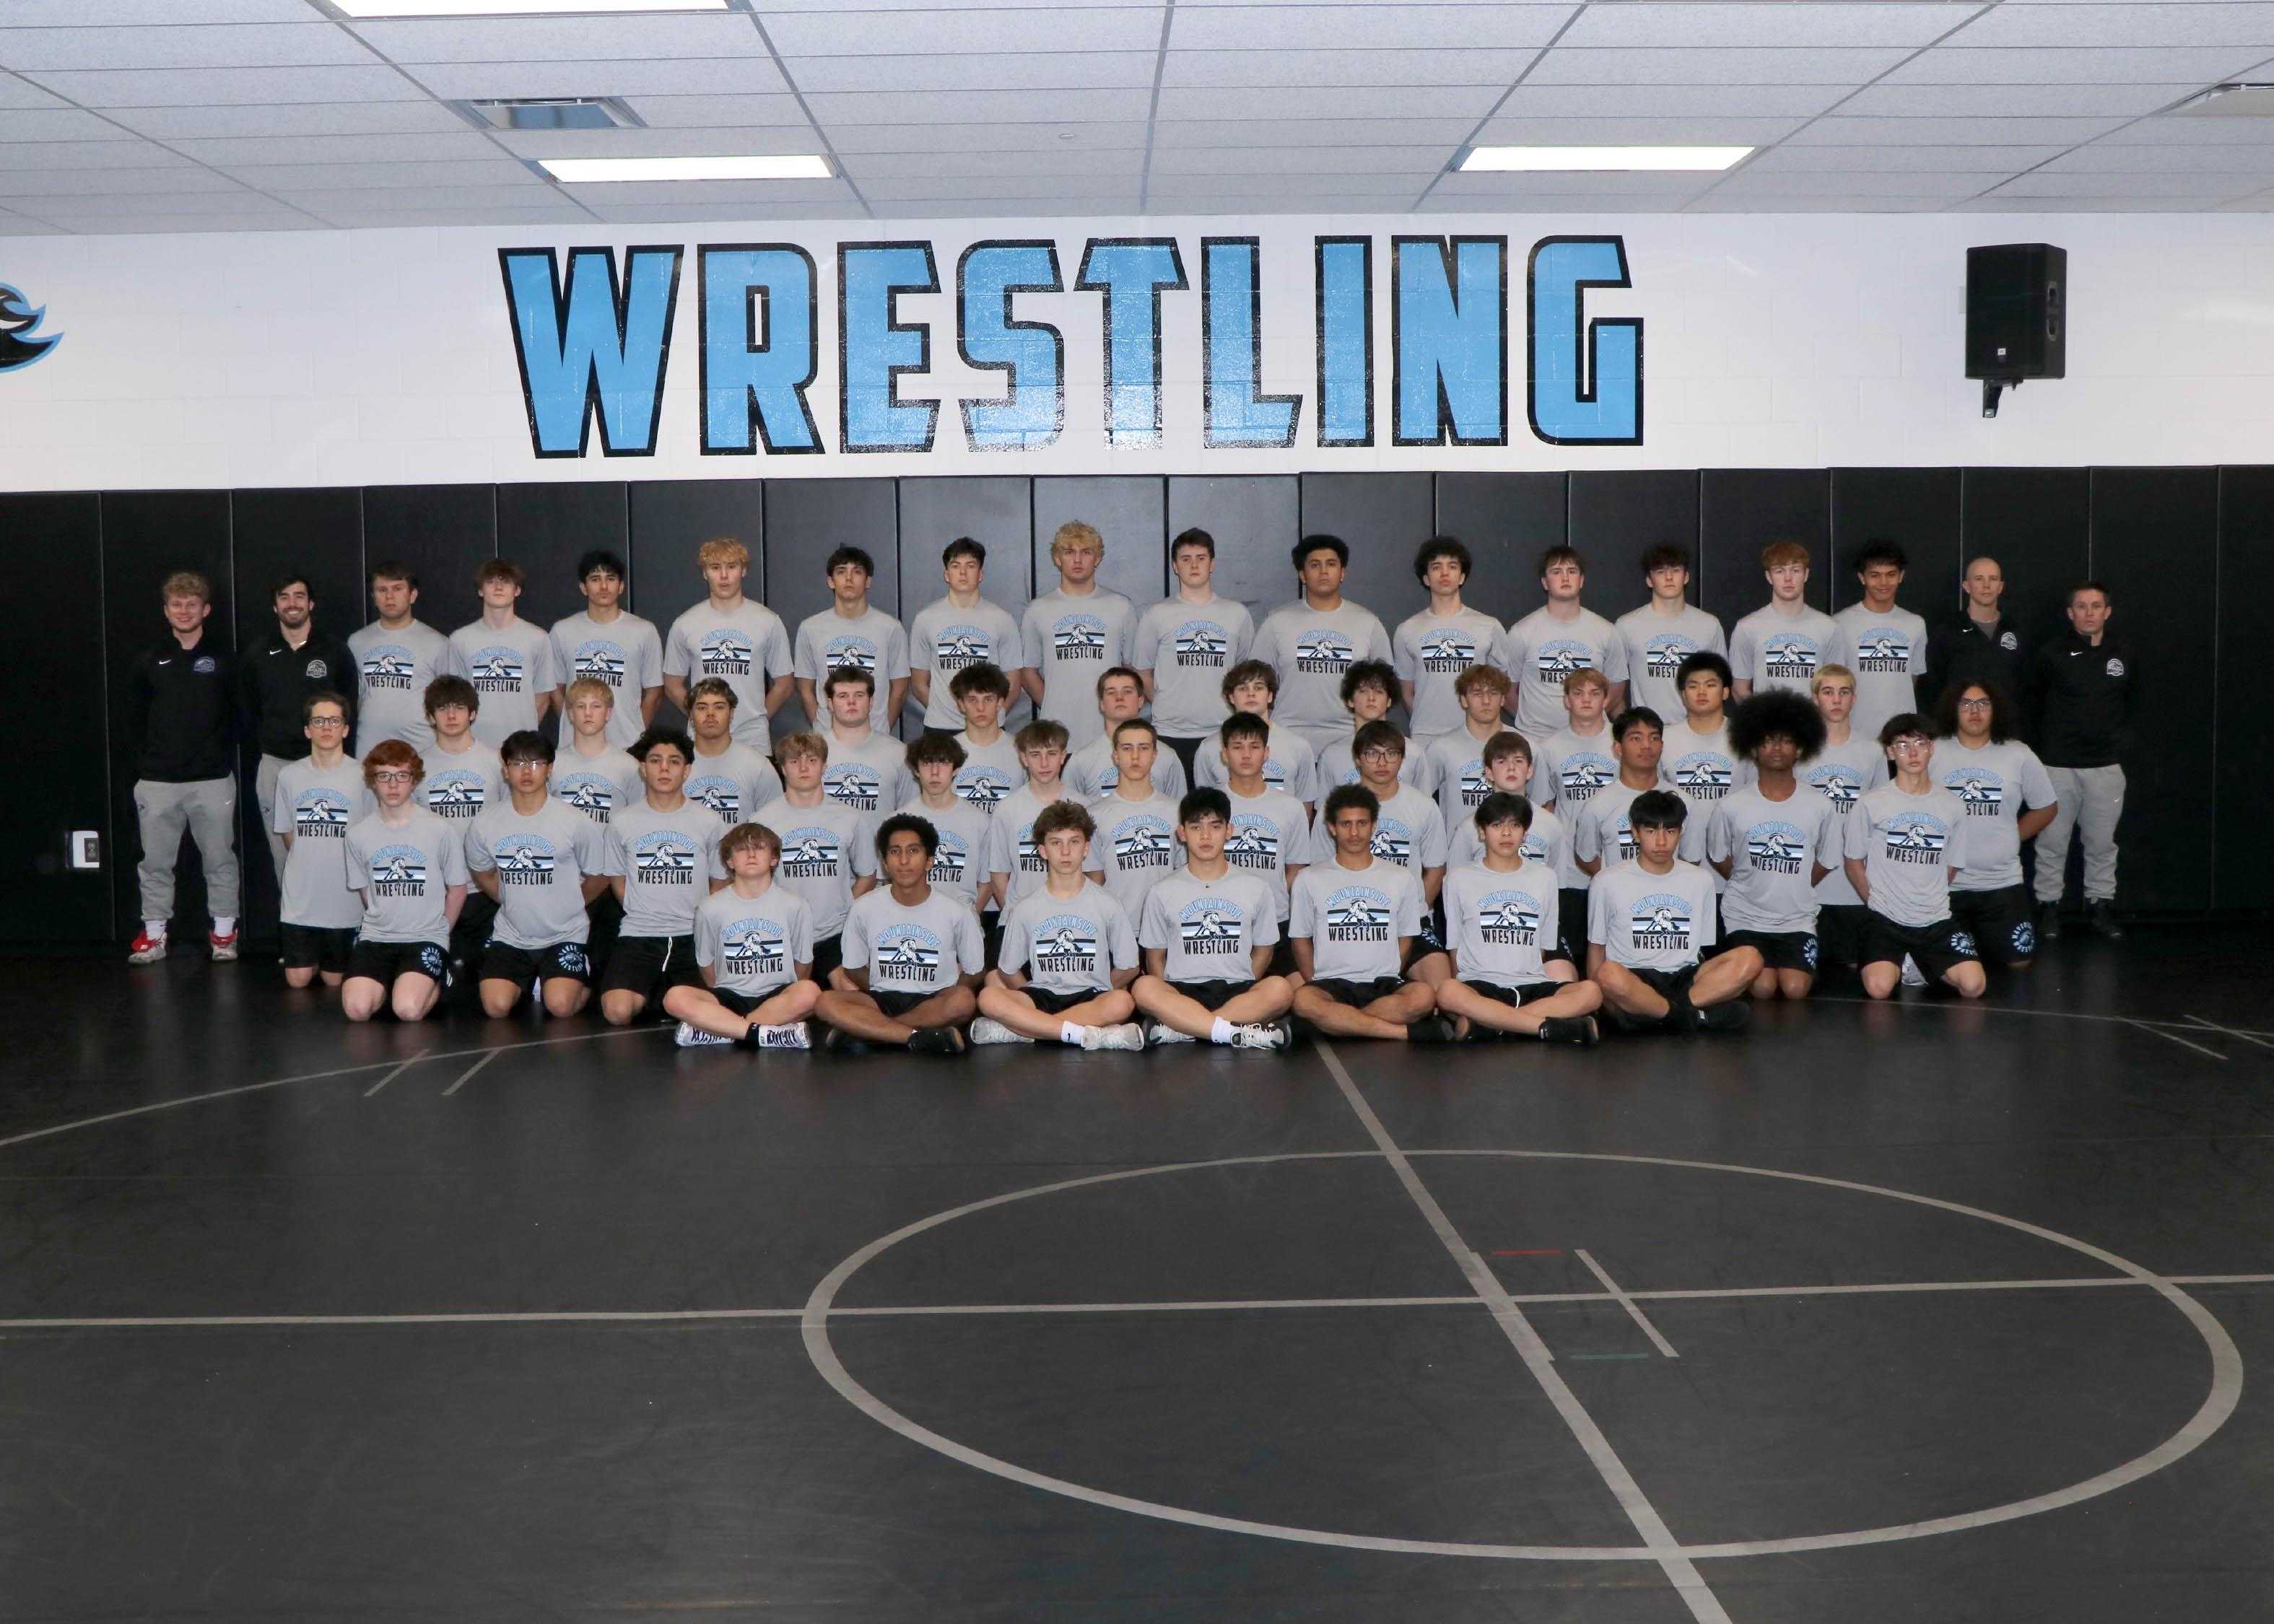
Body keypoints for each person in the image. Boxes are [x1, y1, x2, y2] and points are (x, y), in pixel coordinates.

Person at [126, 571, 241, 966]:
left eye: (192, 604)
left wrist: (217, 755)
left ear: (205, 610)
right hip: (158, 781)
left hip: (212, 780)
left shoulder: (224, 660)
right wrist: (148, 763)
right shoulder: (149, 660)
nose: (184, 611)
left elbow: (238, 715)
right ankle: (155, 935)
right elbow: (134, 719)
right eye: (177, 604)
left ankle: (224, 934)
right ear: (166, 611)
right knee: (155, 863)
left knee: (220, 860)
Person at [973, 801, 1146, 1049]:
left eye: (1074, 842)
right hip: (1041, 995)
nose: (1065, 852)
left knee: (1121, 1001)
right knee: (989, 997)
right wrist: (1028, 992)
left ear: (1086, 848)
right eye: (1056, 843)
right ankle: (1085, 1033)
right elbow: (1008, 970)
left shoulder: (1108, 903)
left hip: (1090, 995)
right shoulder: (1025, 907)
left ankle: (1029, 1030)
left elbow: (1129, 967)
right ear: (1043, 851)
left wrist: (1103, 987)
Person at [1131, 789, 1297, 1047]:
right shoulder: (1161, 891)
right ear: (1182, 833)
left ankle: (1185, 1028)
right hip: (1181, 991)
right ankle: (1234, 1032)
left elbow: (1264, 950)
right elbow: (1155, 958)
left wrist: (1246, 984)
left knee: (1281, 989)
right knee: (1144, 987)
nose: (1206, 836)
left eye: (1215, 826)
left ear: (1229, 831)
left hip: (1237, 990)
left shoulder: (1256, 887)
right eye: (1196, 827)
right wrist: (1171, 997)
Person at [1288, 787, 1455, 1042]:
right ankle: (1400, 1032)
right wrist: (1314, 980)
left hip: (1383, 982)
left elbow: (1406, 937)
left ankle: (1336, 1024)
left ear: (1374, 826)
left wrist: (1391, 969)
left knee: (1423, 996)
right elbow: (1300, 940)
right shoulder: (1308, 879)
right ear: (1332, 828)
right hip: (1330, 983)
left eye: (1362, 823)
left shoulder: (1401, 877)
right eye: (1346, 824)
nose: (1354, 833)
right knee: (1303, 999)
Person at [463, 730, 611, 1019]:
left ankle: (579, 982)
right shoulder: (486, 822)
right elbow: (481, 872)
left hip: (565, 934)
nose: (527, 771)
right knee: (495, 1007)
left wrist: (570, 903)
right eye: (518, 763)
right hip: (512, 935)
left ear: (550, 768)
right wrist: (510, 898)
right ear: (505, 770)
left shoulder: (574, 821)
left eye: (536, 763)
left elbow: (600, 875)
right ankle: (532, 981)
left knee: (560, 1006)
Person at [1436, 793, 1602, 1044]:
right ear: (1482, 832)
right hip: (1480, 984)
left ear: (1525, 833)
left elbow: (1544, 947)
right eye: (1496, 825)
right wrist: (1464, 989)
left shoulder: (1545, 877)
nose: (1506, 833)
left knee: (1591, 991)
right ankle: (1549, 1027)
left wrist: (1489, 1013)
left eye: (1515, 825)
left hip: (1532, 984)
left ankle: (1493, 1024)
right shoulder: (1458, 878)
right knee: (1448, 991)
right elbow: (1454, 946)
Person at [1587, 791, 1760, 1034]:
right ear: (1635, 833)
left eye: (1670, 832)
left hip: (1685, 978)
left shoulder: (1701, 880)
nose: (1661, 842)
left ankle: (1661, 1013)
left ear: (1681, 832)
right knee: (1608, 974)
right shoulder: (1606, 881)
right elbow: (1597, 947)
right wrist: (1597, 1001)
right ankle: (1690, 1016)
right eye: (1651, 831)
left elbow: (1701, 951)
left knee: (1751, 958)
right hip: (1633, 978)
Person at [1710, 691, 1841, 1000]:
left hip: (1797, 919)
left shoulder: (1820, 805)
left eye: (1786, 741)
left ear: (1800, 748)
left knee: (1795, 990)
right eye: (1768, 741)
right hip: (1745, 917)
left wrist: (1796, 882)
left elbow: (1828, 859)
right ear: (1753, 749)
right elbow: (1718, 856)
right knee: (1763, 988)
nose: (1777, 748)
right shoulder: (1732, 805)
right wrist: (1749, 879)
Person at [816, 815, 985, 1054]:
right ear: (885, 863)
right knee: (825, 1002)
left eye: (913, 851)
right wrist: (879, 987)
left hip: (934, 1000)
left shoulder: (957, 910)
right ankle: (917, 1037)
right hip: (881, 999)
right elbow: (853, 968)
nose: (904, 860)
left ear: (929, 861)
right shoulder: (863, 907)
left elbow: (976, 971)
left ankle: (869, 1032)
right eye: (895, 852)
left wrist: (950, 990)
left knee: (963, 1001)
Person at [1844, 715, 1985, 1001]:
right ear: (1890, 752)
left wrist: (1925, 898)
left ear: (1931, 748)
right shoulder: (1871, 802)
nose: (1912, 752)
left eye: (1920, 743)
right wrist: (1874, 902)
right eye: (1902, 745)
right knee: (1879, 989)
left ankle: (1919, 960)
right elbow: (1853, 861)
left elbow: (1951, 866)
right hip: (1885, 920)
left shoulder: (1953, 805)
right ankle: (1904, 960)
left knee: (1974, 986)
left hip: (1936, 920)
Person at [597, 728, 729, 1028]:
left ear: (687, 770)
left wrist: (701, 921)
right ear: (643, 769)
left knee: (710, 1009)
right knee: (617, 1012)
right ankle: (656, 993)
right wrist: (646, 911)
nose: (665, 768)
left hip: (692, 936)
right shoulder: (622, 822)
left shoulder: (709, 822)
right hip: (639, 935)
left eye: (674, 761)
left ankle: (663, 995)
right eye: (656, 761)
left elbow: (720, 882)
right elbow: (618, 882)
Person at [2029, 581, 2134, 941]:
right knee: (2051, 843)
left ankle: (2100, 907)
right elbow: (2033, 701)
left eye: (2096, 606)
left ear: (2108, 611)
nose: (2089, 613)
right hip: (2057, 766)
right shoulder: (2051, 654)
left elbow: (2135, 702)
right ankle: (2048, 907)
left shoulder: (2124, 653)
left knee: (2102, 844)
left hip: (2105, 767)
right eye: (2082, 606)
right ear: (2070, 613)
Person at [240, 571, 356, 894]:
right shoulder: (257, 653)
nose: (292, 603)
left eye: (299, 596)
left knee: (334, 849)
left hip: (327, 766)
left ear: (311, 604)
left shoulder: (334, 651)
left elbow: (350, 707)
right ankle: (293, 921)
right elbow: (247, 711)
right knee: (283, 854)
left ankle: (338, 918)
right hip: (276, 766)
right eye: (284, 597)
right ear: (275, 606)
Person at [341, 741, 466, 1023]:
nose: (393, 785)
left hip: (425, 937)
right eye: (384, 776)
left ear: (414, 779)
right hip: (377, 937)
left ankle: (435, 979)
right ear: (373, 781)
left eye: (402, 775)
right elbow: (366, 892)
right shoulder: (358, 835)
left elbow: (458, 891)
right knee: (357, 1010)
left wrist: (440, 933)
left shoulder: (440, 830)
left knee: (408, 1009)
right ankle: (392, 981)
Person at [668, 821, 823, 1050]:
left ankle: (724, 1031)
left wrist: (787, 995)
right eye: (741, 849)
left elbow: (803, 964)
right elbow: (707, 965)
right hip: (729, 995)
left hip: (777, 996)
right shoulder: (709, 908)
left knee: (811, 993)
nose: (751, 855)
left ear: (774, 859)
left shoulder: (796, 905)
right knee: (675, 997)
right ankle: (763, 1033)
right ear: (729, 862)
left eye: (759, 848)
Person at [1937, 681, 2058, 969]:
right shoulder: (1933, 751)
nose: (1974, 711)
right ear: (1953, 709)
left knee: (2019, 964)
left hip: (2001, 883)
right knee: (1956, 969)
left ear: (1995, 710)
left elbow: (2047, 806)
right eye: (1966, 704)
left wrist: (2012, 837)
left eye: (1983, 704)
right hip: (1946, 885)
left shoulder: (2018, 754)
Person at [1312, 722, 1449, 964]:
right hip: (1350, 918)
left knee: (1439, 976)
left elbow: (1436, 870)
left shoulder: (1424, 806)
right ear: (1357, 759)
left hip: (1408, 919)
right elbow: (1318, 870)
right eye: (1372, 754)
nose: (1382, 762)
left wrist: (1413, 909)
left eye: (1391, 754)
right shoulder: (1334, 807)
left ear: (1402, 759)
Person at [754, 732, 877, 986]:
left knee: (853, 996)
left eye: (811, 760)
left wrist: (845, 908)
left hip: (836, 934)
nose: (803, 768)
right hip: (784, 934)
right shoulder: (761, 822)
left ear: (824, 766)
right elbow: (754, 882)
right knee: (790, 999)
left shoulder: (850, 817)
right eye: (794, 761)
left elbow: (868, 874)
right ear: (783, 768)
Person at [1131, 526, 1255, 779]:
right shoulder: (1157, 614)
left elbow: (1245, 672)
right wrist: (1166, 701)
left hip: (1222, 730)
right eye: (1186, 559)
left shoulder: (1236, 614)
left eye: (1201, 558)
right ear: (1175, 566)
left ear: (1212, 564)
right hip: (1170, 732)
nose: (1194, 565)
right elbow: (1142, 672)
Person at [1253, 534, 1394, 755]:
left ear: (1342, 573)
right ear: (1302, 575)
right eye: (1315, 565)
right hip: (1288, 739)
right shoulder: (1276, 622)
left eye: (1331, 564)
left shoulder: (1368, 623)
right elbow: (1255, 683)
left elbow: (1384, 687)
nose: (1323, 571)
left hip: (1351, 740)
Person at [270, 692, 368, 990]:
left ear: (346, 729)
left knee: (335, 980)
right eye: (319, 721)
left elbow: (370, 837)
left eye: (334, 721)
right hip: (302, 899)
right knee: (298, 980)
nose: (327, 727)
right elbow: (288, 835)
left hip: (345, 898)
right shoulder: (289, 776)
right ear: (307, 730)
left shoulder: (363, 775)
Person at [663, 536, 794, 753]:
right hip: (702, 739)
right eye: (715, 568)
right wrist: (700, 716)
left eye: (732, 567)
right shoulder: (685, 624)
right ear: (705, 573)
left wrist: (757, 718)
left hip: (752, 739)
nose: (724, 576)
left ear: (744, 570)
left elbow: (785, 684)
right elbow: (672, 684)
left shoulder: (768, 621)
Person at [1021, 520, 1135, 751]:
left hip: (1109, 734)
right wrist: (1053, 703)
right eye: (1069, 552)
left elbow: (1132, 669)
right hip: (1057, 736)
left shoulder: (1121, 607)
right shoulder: (1038, 610)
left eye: (1086, 552)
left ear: (1098, 558)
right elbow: (1027, 671)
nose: (1077, 560)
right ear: (1057, 559)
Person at [1802, 663, 1886, 975]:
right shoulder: (1800, 750)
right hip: (1811, 884)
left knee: (1855, 971)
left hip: (1854, 887)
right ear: (1815, 698)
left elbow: (1881, 816)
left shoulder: (1872, 751)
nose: (1836, 700)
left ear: (1854, 699)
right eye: (1828, 692)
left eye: (1844, 692)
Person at [907, 536, 1029, 741]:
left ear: (980, 574)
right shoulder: (925, 619)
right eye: (956, 566)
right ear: (946, 575)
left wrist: (991, 716)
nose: (963, 573)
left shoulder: (1002, 619)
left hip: (988, 728)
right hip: (940, 729)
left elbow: (1014, 685)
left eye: (970, 566)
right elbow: (919, 684)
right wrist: (943, 713)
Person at [1501, 545, 1627, 738]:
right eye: (1556, 572)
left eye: (1572, 571)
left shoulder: (1606, 631)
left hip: (1589, 739)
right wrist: (1529, 720)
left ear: (1582, 580)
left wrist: (1589, 718)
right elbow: (1506, 687)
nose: (1565, 578)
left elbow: (1616, 686)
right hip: (1537, 739)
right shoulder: (1522, 632)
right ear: (1545, 583)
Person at [1394, 535, 1506, 741]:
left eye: (1452, 566)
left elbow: (1501, 686)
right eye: (1436, 567)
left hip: (1477, 734)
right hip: (1426, 734)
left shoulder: (1489, 627)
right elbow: (1407, 692)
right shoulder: (1407, 630)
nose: (1445, 573)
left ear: (1462, 577)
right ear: (1426, 578)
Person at [549, 549, 661, 752]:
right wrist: (572, 721)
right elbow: (555, 689)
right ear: (583, 587)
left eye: (610, 579)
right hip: (574, 747)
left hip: (627, 746)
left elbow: (654, 691)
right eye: (595, 579)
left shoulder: (644, 631)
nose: (603, 586)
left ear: (621, 586)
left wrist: (637, 735)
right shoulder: (562, 631)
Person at [1533, 668, 1619, 934]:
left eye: (1595, 693)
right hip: (1568, 868)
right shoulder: (1549, 747)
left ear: (1606, 699)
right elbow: (1543, 808)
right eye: (1578, 693)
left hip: (1616, 862)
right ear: (1567, 700)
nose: (1586, 699)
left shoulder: (1623, 743)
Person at [794, 544, 910, 733]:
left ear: (868, 581)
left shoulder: (890, 628)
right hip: (828, 738)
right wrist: (822, 728)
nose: (849, 578)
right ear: (831, 581)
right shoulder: (810, 628)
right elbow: (804, 689)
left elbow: (900, 688)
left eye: (857, 572)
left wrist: (882, 729)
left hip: (875, 736)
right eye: (841, 572)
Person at [1214, 710, 1311, 930]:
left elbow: (1296, 869)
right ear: (1225, 754)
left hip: (1276, 918)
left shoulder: (1291, 807)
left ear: (1266, 752)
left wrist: (1270, 903)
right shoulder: (1210, 805)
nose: (1246, 755)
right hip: (1225, 919)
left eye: (1254, 747)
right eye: (1238, 747)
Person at [1825, 541, 1929, 743]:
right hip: (1855, 736)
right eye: (1875, 575)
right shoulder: (1840, 624)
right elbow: (1834, 681)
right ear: (1862, 577)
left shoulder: (1915, 624)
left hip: (1902, 738)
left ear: (1901, 576)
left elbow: (1912, 677)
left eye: (1891, 574)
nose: (1883, 582)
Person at [446, 559, 557, 747]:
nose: (498, 587)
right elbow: (456, 697)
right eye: (491, 582)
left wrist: (522, 737)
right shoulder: (460, 640)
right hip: (473, 745)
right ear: (480, 590)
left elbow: (542, 698)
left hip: (521, 747)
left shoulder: (538, 638)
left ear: (517, 590)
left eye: (505, 581)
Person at [1083, 718, 1187, 919]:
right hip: (1117, 925)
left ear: (1155, 755)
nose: (1135, 756)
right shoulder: (1095, 815)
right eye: (1127, 748)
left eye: (1144, 748)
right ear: (1115, 756)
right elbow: (1094, 882)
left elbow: (1184, 874)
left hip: (1165, 923)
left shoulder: (1177, 812)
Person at [1614, 545, 1729, 720]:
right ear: (1649, 580)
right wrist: (1628, 726)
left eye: (1676, 570)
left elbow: (1720, 683)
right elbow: (1613, 686)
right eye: (1660, 572)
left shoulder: (1709, 625)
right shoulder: (1627, 626)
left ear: (1686, 577)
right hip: (1648, 729)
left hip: (1696, 728)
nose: (1669, 577)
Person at [349, 560, 450, 754]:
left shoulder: (437, 643)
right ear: (373, 597)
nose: (389, 597)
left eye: (397, 589)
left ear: (413, 595)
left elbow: (447, 701)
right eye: (382, 590)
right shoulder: (357, 642)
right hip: (369, 748)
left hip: (421, 749)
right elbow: (353, 699)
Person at [1193, 660, 1322, 811]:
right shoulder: (1209, 748)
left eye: (1259, 688)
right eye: (1243, 688)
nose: (1251, 694)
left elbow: (1304, 808)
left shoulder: (1299, 747)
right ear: (1231, 697)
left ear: (1270, 696)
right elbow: (1205, 807)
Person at [1924, 556, 2029, 722]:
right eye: (1979, 579)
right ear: (1967, 586)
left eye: (1993, 579)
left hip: (2006, 728)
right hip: (1959, 728)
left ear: (2001, 587)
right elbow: (1932, 688)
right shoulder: (1947, 633)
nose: (1986, 585)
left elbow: (2028, 689)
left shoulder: (2017, 631)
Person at [987, 720, 1076, 913]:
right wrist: (1014, 915)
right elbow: (999, 873)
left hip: (1071, 916)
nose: (1044, 763)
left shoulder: (1081, 806)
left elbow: (1093, 871)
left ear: (1063, 756)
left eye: (1051, 754)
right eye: (1035, 755)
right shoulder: (1007, 809)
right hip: (1021, 916)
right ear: (1024, 758)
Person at [1658, 652, 1751, 835]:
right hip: (1677, 845)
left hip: (1732, 842)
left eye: (1710, 685)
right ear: (1683, 694)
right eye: (1693, 686)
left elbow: (1754, 796)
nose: (1701, 692)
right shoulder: (1664, 739)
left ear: (1725, 692)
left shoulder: (1746, 736)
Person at [1730, 541, 1837, 700]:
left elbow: (1836, 687)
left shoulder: (1829, 627)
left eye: (1795, 570)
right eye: (1779, 571)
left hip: (1812, 717)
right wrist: (1760, 715)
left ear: (1806, 574)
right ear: (1769, 577)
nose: (1788, 578)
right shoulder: (1747, 627)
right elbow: (1739, 689)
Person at [1572, 707, 1669, 881]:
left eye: (1654, 738)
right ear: (1618, 748)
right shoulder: (1597, 805)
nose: (1647, 746)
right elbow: (1586, 858)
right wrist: (1619, 882)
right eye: (1636, 738)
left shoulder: (1683, 801)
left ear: (1662, 746)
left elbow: (1690, 859)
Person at [899, 732, 991, 913]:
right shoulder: (899, 821)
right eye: (927, 763)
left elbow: (987, 883)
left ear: (955, 769)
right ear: (916, 770)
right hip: (913, 919)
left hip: (962, 921)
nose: (935, 772)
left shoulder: (979, 820)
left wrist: (968, 920)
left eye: (943, 763)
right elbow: (891, 882)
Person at [1065, 665, 1188, 800]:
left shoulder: (1167, 757)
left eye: (1127, 691)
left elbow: (1179, 809)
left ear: (1141, 701)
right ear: (1102, 704)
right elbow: (1068, 812)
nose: (1119, 698)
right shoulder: (1081, 760)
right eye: (1111, 692)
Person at [1317, 659, 1437, 797]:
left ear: (1389, 701)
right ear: (1350, 700)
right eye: (1363, 691)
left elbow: (1424, 805)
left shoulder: (1413, 753)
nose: (1371, 698)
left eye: (1379, 692)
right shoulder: (1332, 755)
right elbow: (1324, 808)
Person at [1420, 664, 1514, 832]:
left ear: (1502, 699)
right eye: (1477, 694)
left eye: (1493, 693)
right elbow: (1419, 805)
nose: (1486, 701)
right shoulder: (1441, 749)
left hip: (1510, 844)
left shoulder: (1525, 747)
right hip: (1456, 846)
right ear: (1464, 700)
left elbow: (1540, 808)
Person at [682, 677, 783, 825]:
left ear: (732, 714)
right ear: (691, 715)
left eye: (719, 707)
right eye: (702, 708)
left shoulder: (758, 766)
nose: (710, 713)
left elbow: (775, 824)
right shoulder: (674, 766)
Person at [817, 665, 914, 817]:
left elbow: (910, 816)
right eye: (843, 696)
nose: (851, 702)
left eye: (859, 695)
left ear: (871, 702)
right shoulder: (812, 753)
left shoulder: (899, 754)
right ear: (830, 704)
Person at [550, 677, 644, 826]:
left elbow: (638, 823)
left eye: (596, 706)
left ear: (608, 713)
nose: (588, 713)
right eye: (581, 706)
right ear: (571, 714)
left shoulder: (630, 767)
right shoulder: (552, 764)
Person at [414, 676, 504, 825]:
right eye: (442, 709)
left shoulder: (497, 762)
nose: (451, 716)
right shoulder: (416, 766)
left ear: (472, 714)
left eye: (459, 708)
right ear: (431, 717)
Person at [946, 661, 1025, 816]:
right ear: (961, 704)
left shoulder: (1022, 750)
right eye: (973, 700)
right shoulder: (946, 751)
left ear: (1000, 703)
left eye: (988, 699)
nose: (980, 708)